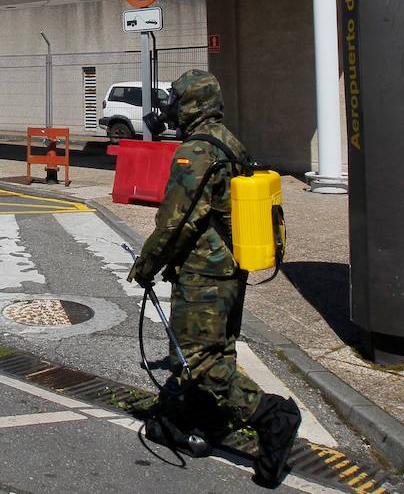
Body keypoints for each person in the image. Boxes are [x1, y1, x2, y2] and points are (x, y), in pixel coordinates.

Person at [127, 69, 301, 488]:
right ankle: (202, 418)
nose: (170, 109)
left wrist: (147, 265)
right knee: (219, 348)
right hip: (230, 268)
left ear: (192, 105)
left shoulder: (196, 152)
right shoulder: (228, 141)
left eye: (176, 101)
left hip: (204, 273)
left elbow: (177, 221)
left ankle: (271, 415)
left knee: (197, 358)